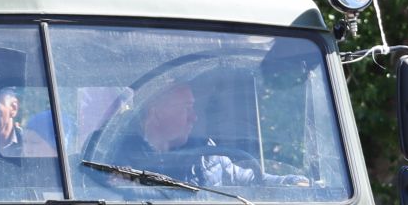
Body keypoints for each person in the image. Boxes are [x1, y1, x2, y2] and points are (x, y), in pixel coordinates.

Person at [121, 79, 305, 188]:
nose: (194, 117)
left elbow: (252, 179)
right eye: (187, 108)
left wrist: (290, 182)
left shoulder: (207, 156)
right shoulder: (114, 157)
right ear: (157, 112)